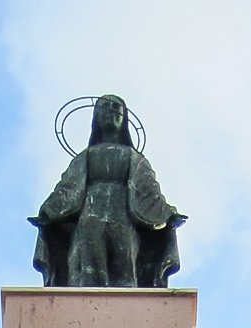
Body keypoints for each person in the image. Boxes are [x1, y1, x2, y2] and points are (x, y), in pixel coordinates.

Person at [30, 95, 185, 287]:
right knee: (89, 265)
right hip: (90, 216)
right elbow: (68, 187)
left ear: (124, 118)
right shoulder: (84, 157)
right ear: (97, 117)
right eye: (105, 107)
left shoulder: (135, 159)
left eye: (116, 107)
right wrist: (50, 208)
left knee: (125, 264)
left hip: (123, 215)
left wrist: (166, 212)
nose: (111, 111)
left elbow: (148, 191)